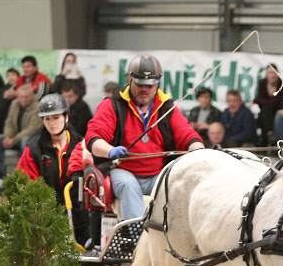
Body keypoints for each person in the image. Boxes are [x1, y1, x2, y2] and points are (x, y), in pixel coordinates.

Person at [83, 54, 203, 220]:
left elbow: (186, 134)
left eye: (150, 85)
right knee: (127, 185)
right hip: (123, 171)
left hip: (157, 175)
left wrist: (198, 151)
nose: (144, 89)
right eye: (140, 84)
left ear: (158, 83)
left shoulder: (166, 107)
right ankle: (137, 238)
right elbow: (93, 139)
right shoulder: (112, 105)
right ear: (129, 79)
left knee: (176, 186)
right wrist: (110, 151)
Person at [15, 93, 89, 243]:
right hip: (46, 218)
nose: (52, 123)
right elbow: (25, 182)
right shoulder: (34, 148)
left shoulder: (82, 145)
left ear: (66, 117)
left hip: (80, 217)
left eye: (56, 117)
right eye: (47, 119)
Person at [0, 84, 41, 167]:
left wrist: (14, 140)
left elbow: (33, 129)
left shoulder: (38, 107)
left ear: (32, 97)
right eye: (21, 97)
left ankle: (24, 169)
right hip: (16, 136)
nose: (24, 99)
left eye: (27, 97)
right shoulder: (14, 104)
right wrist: (8, 137)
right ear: (18, 97)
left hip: (33, 137)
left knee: (25, 141)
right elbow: (9, 122)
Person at [253, 63, 282, 144]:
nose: (273, 75)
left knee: (264, 113)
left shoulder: (282, 84)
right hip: (266, 113)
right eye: (270, 73)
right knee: (264, 112)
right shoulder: (262, 83)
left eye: (274, 73)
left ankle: (265, 143)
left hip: (277, 112)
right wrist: (259, 101)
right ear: (266, 74)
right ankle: (270, 136)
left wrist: (257, 101)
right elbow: (260, 100)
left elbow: (277, 102)